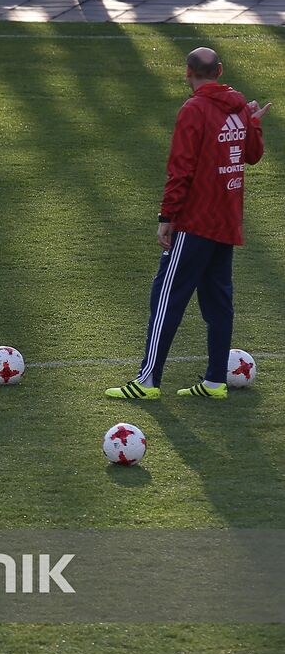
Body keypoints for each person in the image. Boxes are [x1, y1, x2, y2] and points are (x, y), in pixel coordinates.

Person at [106, 47, 270, 400]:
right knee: (217, 302)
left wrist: (167, 217)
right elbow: (253, 156)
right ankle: (214, 382)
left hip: (195, 222)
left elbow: (181, 169)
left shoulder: (194, 110)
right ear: (221, 70)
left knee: (166, 296)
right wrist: (252, 121)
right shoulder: (239, 108)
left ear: (187, 73)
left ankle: (147, 381)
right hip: (226, 222)